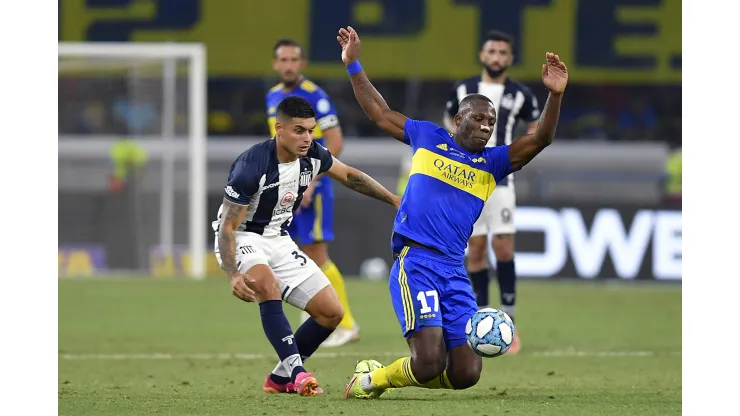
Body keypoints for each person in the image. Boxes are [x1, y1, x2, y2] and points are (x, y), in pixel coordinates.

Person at [335, 26, 568, 398]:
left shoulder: (493, 163)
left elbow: (541, 138)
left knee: (466, 373)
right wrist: (353, 65)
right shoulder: (428, 137)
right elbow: (379, 113)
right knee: (429, 362)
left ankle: (399, 372)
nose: (485, 126)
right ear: (458, 120)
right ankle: (371, 379)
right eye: (478, 118)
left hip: (454, 270)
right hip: (418, 262)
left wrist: (554, 96)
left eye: (490, 122)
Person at [213, 96, 400, 396]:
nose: (307, 138)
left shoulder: (313, 155)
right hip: (244, 237)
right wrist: (233, 274)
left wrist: (393, 199)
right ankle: (297, 374)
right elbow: (227, 227)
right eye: (299, 130)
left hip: (278, 237)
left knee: (331, 312)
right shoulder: (252, 166)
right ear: (279, 129)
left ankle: (277, 379)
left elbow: (350, 176)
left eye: (311, 130)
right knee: (267, 285)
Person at [442, 30, 542, 354]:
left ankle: (509, 325)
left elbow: (536, 129)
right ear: (482, 55)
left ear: (509, 59)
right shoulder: (463, 89)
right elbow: (448, 123)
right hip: (467, 179)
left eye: (503, 52)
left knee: (504, 248)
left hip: (501, 180)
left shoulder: (522, 95)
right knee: (475, 250)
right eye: (492, 52)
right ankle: (480, 322)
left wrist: (518, 153)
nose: (497, 57)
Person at [265, 38, 360, 347]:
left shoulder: (315, 97)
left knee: (317, 255)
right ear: (275, 64)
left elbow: (335, 140)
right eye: (284, 60)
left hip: (312, 188)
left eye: (294, 60)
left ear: (302, 64)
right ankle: (316, 312)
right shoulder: (273, 97)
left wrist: (312, 179)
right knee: (296, 254)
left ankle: (345, 323)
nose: (289, 65)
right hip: (285, 188)